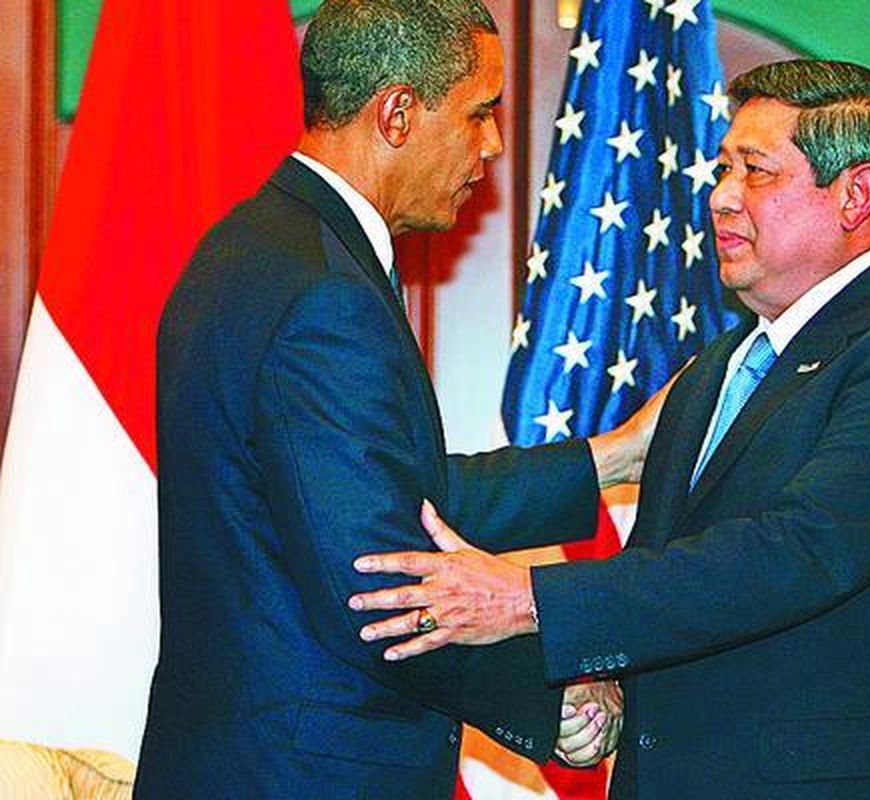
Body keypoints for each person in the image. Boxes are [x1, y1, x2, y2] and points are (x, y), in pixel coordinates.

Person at [348, 58, 870, 798]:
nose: (722, 197)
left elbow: (796, 552)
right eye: (723, 167)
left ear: (855, 195)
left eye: (757, 171)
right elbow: (672, 564)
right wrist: (606, 681)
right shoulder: (720, 366)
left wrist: (526, 599)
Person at [136, 1, 639, 796]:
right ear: (398, 112)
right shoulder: (322, 295)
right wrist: (550, 699)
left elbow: (392, 496)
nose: (493, 145)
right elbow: (379, 580)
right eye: (478, 114)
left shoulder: (254, 247)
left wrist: (612, 458)